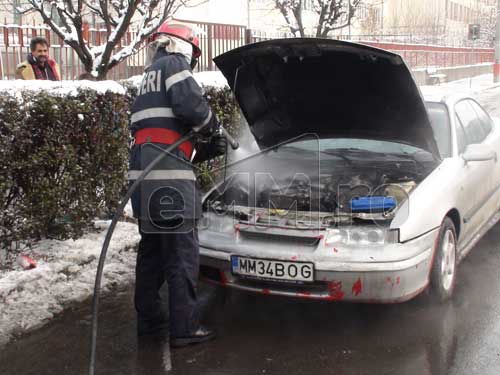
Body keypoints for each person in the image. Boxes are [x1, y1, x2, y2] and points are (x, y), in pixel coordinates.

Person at [128, 21, 226, 347]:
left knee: (153, 252)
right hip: (169, 183)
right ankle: (184, 328)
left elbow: (163, 133)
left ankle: (150, 321)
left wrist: (199, 145)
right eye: (193, 52)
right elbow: (192, 106)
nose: (193, 60)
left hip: (144, 183)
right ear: (182, 45)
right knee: (182, 256)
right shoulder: (174, 64)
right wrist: (214, 127)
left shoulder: (148, 78)